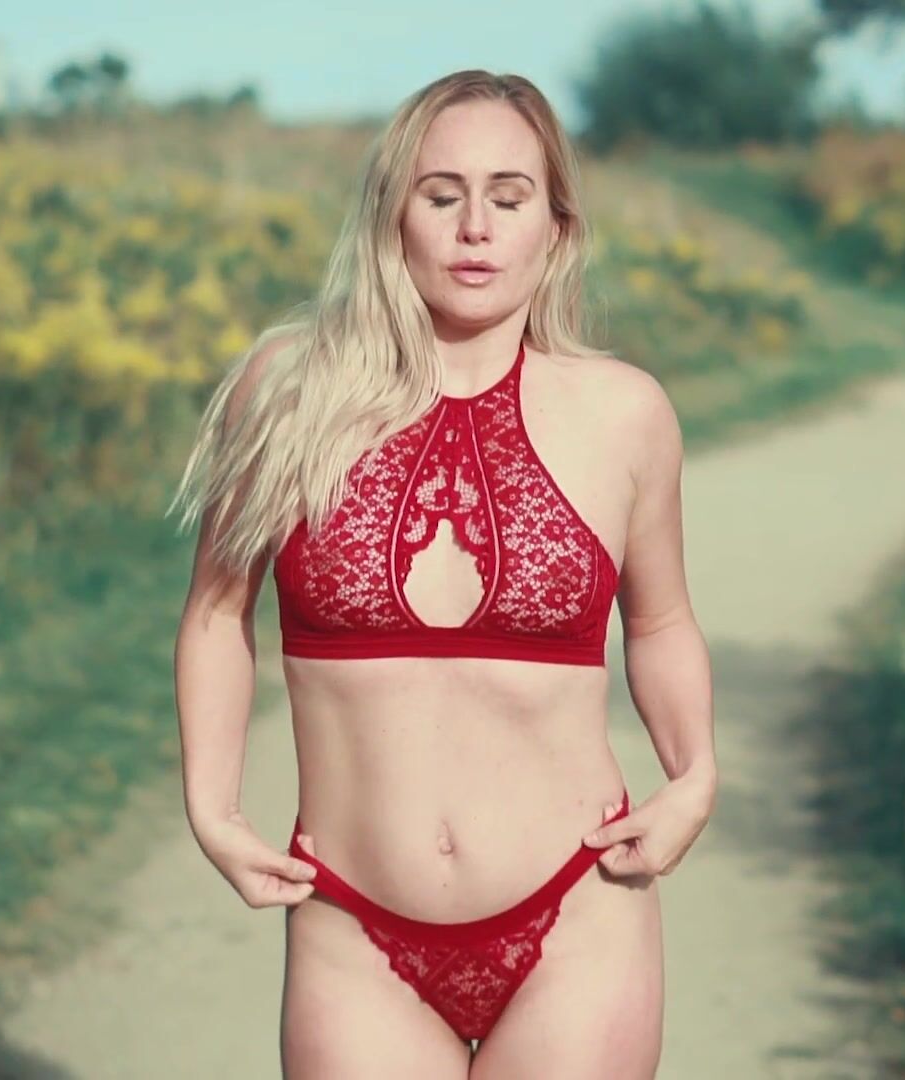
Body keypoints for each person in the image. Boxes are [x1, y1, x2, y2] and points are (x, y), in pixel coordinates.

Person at [167, 69, 716, 1079]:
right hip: (351, 925)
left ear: (555, 227)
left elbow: (662, 622)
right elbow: (216, 613)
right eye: (441, 194)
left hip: (579, 915)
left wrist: (695, 778)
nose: (475, 228)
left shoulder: (625, 413)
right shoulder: (288, 391)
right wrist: (213, 807)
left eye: (509, 197)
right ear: (393, 213)